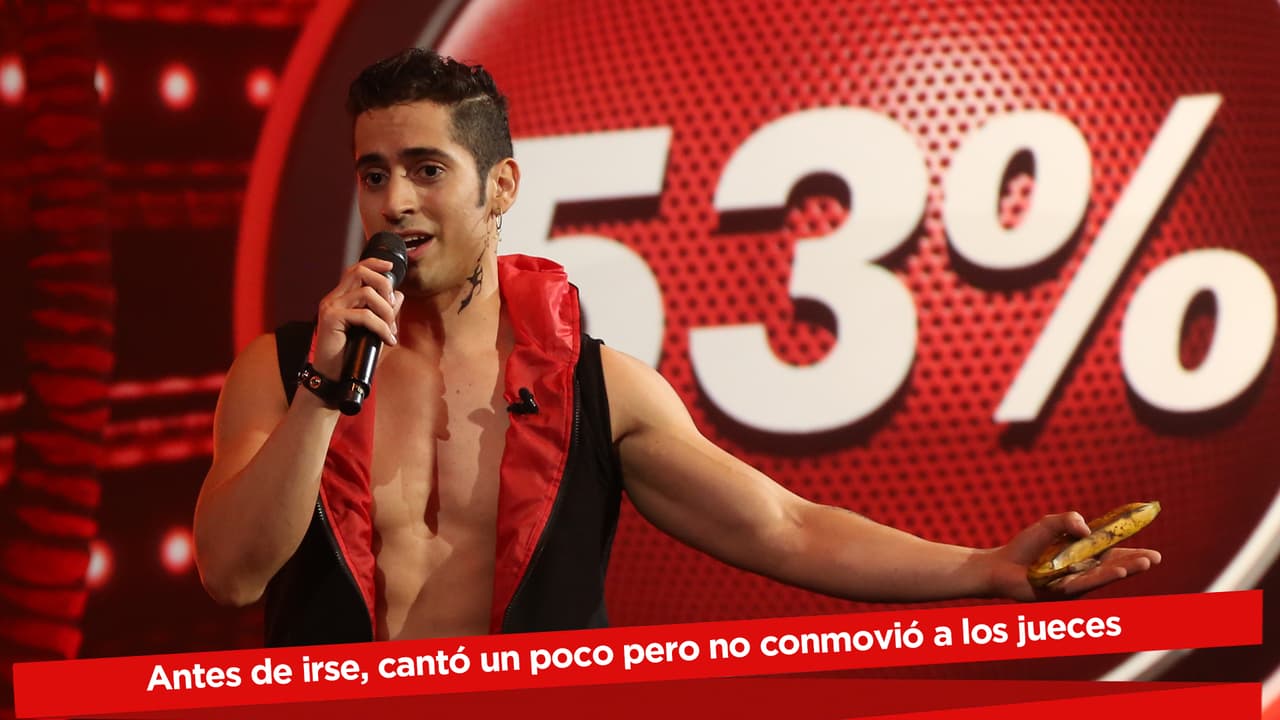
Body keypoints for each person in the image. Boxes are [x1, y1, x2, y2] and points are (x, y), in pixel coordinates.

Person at [193, 48, 1160, 646]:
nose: (395, 202)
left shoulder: (599, 388)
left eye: (426, 169)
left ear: (501, 188)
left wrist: (985, 569)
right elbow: (231, 575)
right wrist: (324, 391)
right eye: (374, 175)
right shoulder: (284, 371)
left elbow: (783, 528)